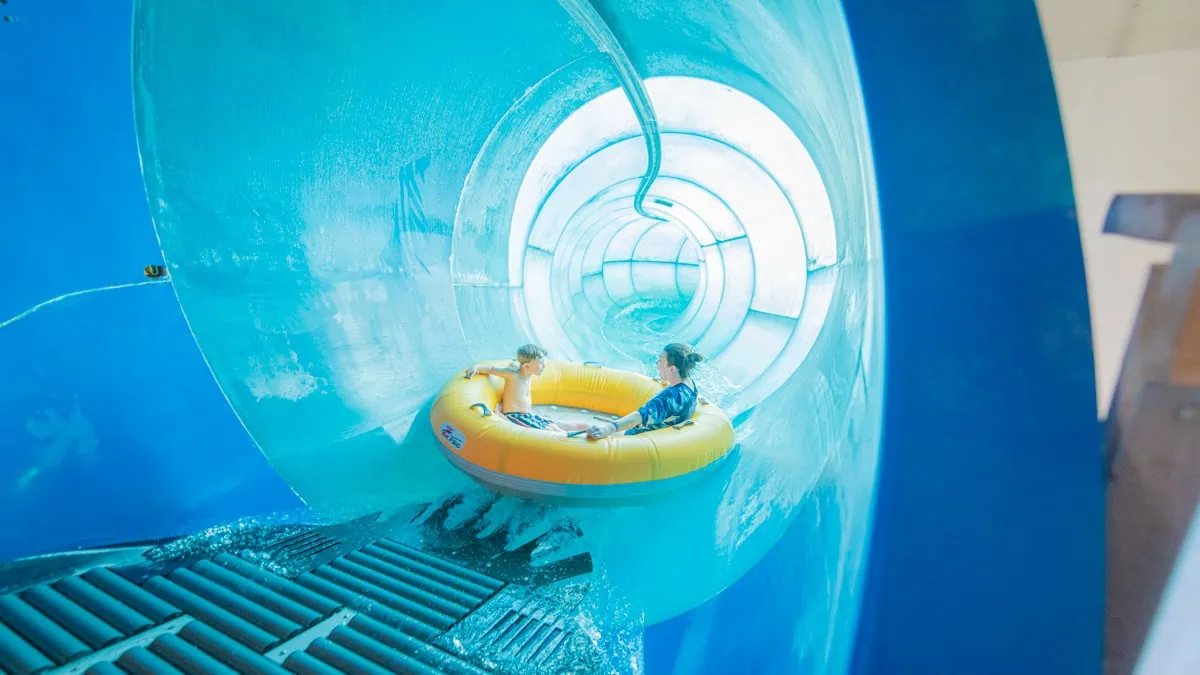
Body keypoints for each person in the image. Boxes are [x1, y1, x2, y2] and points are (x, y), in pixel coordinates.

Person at [464, 344, 590, 434]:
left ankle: (590, 428)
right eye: (541, 364)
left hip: (528, 415)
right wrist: (477, 368)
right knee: (554, 432)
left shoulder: (527, 373)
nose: (544, 366)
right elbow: (492, 369)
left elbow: (514, 362)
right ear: (526, 366)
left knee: (561, 425)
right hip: (516, 416)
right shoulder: (514, 375)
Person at [587, 343, 702, 440]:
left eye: (660, 360)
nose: (657, 364)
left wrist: (609, 428)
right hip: (663, 435)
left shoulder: (671, 396)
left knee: (584, 428)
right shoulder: (689, 385)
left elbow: (642, 415)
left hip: (638, 440)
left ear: (672, 368)